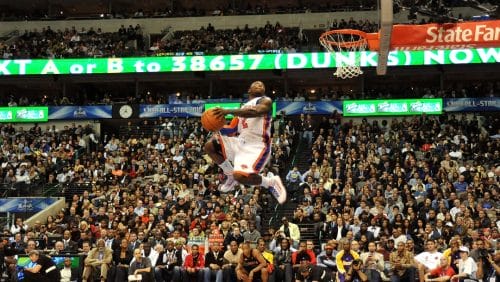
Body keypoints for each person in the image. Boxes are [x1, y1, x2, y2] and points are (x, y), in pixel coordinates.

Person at [204, 81, 287, 204]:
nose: (260, 85)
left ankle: (270, 182)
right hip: (240, 142)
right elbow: (232, 129)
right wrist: (213, 126)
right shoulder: (242, 108)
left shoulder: (265, 101)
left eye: (262, 85)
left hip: (257, 145)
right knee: (210, 145)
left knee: (241, 177)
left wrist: (228, 111)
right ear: (249, 90)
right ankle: (229, 173)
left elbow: (256, 112)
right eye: (256, 84)